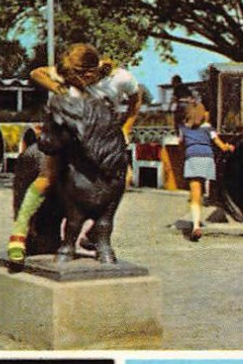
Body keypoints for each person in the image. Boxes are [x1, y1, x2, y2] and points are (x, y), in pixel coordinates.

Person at [8, 43, 142, 262]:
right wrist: (58, 88)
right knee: (47, 178)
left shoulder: (120, 79)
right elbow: (36, 73)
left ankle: (93, 234)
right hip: (68, 139)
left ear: (90, 72)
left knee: (124, 177)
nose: (70, 80)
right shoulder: (66, 82)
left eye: (74, 76)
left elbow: (136, 100)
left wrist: (126, 128)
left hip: (103, 141)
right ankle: (20, 231)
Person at [174, 101, 234, 240]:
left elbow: (180, 145)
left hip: (192, 158)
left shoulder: (183, 128)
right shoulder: (208, 128)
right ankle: (209, 204)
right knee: (206, 189)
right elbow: (220, 145)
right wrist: (228, 147)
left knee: (195, 195)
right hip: (207, 158)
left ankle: (196, 225)